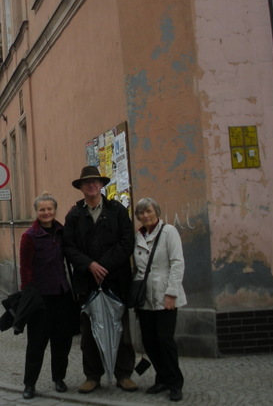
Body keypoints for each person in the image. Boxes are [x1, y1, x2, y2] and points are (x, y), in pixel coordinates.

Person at [63, 166, 138, 393]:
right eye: (86, 183)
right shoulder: (74, 215)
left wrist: (104, 264)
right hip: (87, 283)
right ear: (82, 188)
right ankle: (92, 376)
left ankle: (123, 374)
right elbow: (68, 247)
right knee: (89, 334)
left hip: (116, 281)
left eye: (94, 181)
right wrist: (89, 265)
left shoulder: (117, 210)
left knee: (121, 332)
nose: (91, 185)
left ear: (101, 185)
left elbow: (127, 243)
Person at [19, 193, 74, 400]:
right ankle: (29, 383)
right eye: (42, 209)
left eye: (49, 209)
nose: (46, 213)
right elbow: (25, 269)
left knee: (62, 341)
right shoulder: (30, 236)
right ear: (37, 212)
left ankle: (59, 378)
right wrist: (28, 296)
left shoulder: (62, 232)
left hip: (62, 294)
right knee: (36, 343)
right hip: (40, 298)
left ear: (55, 210)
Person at [133, 197, 186, 402]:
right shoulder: (138, 236)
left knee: (165, 340)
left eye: (149, 211)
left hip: (165, 295)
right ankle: (161, 377)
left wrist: (171, 293)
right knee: (150, 340)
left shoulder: (169, 232)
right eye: (142, 213)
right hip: (145, 298)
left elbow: (177, 263)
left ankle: (175, 383)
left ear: (157, 212)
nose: (146, 215)